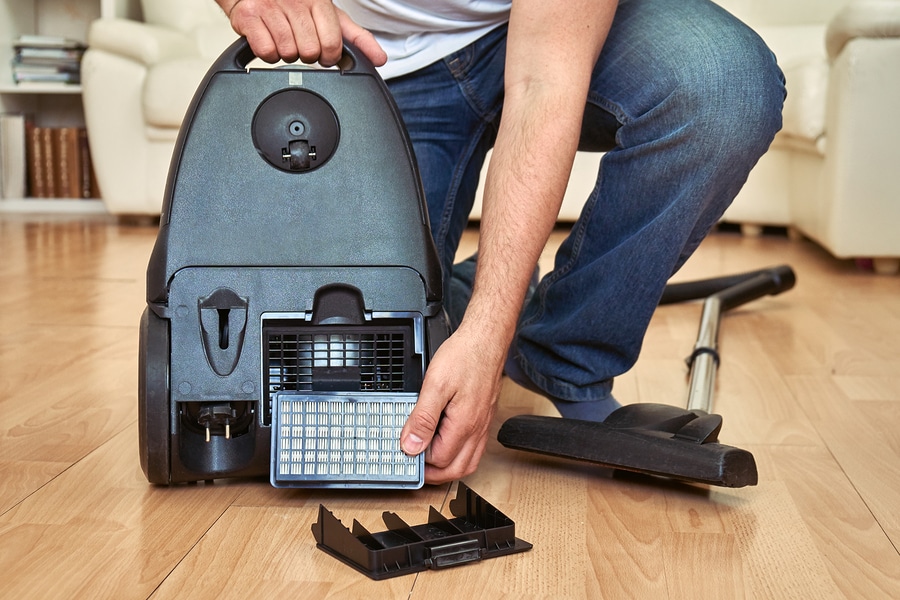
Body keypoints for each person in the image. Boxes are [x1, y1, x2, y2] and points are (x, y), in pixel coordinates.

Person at [214, 0, 785, 485]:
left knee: (722, 86)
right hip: (384, 57)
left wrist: (490, 336)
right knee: (355, 373)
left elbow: (545, 79)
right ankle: (461, 295)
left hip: (559, 36)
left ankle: (563, 355)